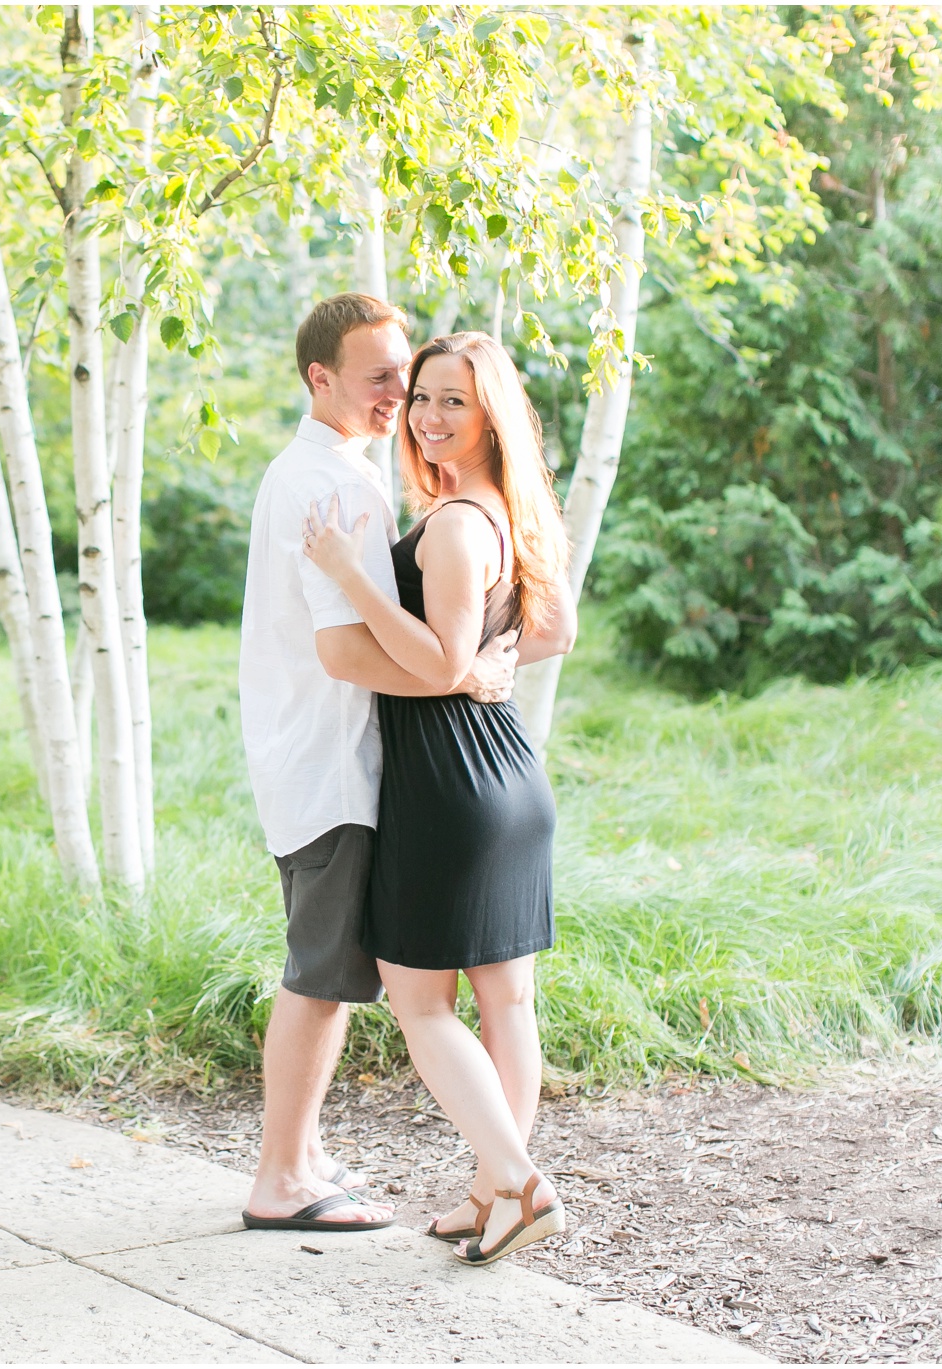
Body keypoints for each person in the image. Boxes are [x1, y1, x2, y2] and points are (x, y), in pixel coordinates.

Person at [237, 296, 519, 1232]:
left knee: (335, 967)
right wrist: (461, 674)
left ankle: (305, 1156)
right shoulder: (341, 487)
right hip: (327, 759)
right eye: (380, 377)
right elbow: (346, 652)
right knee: (322, 974)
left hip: (314, 755)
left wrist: (468, 660)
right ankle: (281, 1177)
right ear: (320, 380)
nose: (400, 395)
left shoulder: (322, 471)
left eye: (405, 373)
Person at [301, 330, 578, 1265]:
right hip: (505, 775)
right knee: (507, 1003)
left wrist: (351, 576)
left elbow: (437, 659)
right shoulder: (509, 511)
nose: (427, 415)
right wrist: (491, 661)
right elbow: (555, 631)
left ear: (489, 413)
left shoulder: (459, 522)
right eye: (421, 395)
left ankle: (521, 1184)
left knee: (424, 1005)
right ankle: (488, 1190)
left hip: (450, 784)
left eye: (452, 399)